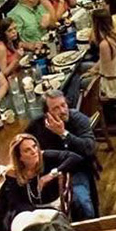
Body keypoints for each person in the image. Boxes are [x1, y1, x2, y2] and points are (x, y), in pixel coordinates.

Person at [0, 134, 65, 231]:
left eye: (34, 146)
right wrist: (34, 213)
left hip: (49, 208)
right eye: (27, 150)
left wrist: (51, 175)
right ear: (20, 157)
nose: (34, 151)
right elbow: (16, 203)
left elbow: (74, 158)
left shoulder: (45, 159)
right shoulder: (12, 174)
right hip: (28, 213)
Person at [35, 90, 99, 220]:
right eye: (56, 108)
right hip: (51, 171)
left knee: (83, 204)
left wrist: (63, 133)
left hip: (77, 168)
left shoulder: (77, 118)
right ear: (47, 113)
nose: (63, 111)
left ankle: (91, 227)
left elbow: (90, 149)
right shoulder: (38, 126)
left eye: (63, 105)